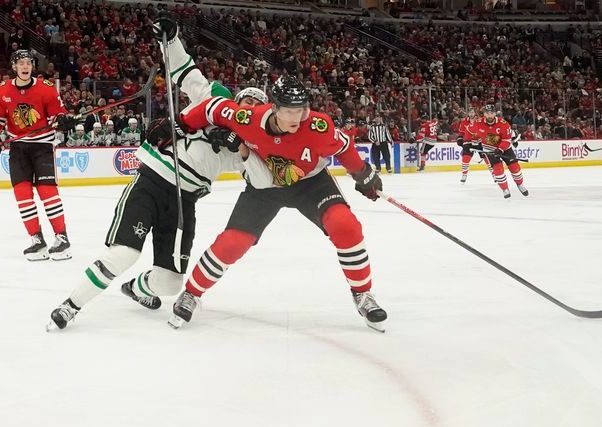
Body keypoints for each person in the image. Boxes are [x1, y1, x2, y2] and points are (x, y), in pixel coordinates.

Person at [47, 14, 271, 330]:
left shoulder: (251, 145)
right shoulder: (211, 101)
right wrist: (171, 37)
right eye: (245, 100)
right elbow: (184, 70)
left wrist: (242, 148)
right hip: (152, 182)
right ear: (235, 100)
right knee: (123, 253)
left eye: (256, 106)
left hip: (184, 202)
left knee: (170, 284)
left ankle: (137, 288)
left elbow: (262, 180)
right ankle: (71, 305)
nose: (248, 106)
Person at [168, 75, 388, 332]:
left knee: (345, 225)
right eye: (290, 111)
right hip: (265, 187)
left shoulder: (318, 126)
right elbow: (212, 108)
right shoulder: (247, 118)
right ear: (274, 108)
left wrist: (363, 175)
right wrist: (180, 124)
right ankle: (192, 294)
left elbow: (344, 147)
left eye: (302, 109)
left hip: (311, 183)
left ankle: (363, 294)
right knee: (233, 242)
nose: (298, 117)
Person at [0, 49, 75, 261]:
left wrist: (62, 120)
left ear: (32, 66)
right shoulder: (1, 91)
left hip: (42, 146)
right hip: (17, 148)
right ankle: (36, 239)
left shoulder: (46, 88)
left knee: (47, 192)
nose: (25, 66)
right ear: (14, 67)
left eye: (28, 63)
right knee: (23, 196)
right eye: (21, 63)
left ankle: (62, 238)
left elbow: (56, 115)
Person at [465, 104, 528, 199]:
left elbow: (507, 140)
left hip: (505, 149)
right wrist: (465, 141)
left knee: (515, 168)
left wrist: (500, 149)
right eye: (487, 113)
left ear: (495, 113)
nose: (489, 115)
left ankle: (520, 184)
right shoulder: (477, 123)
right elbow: (468, 130)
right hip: (489, 149)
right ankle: (505, 189)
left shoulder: (503, 123)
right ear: (484, 114)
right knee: (498, 171)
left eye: (491, 113)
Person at [456, 108, 479, 184]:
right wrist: (459, 138)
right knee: (465, 158)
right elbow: (461, 132)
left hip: (479, 141)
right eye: (470, 112)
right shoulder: (464, 122)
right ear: (468, 113)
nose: (471, 114)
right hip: (468, 142)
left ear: (475, 113)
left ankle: (494, 174)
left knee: (487, 158)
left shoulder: (480, 121)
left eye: (472, 112)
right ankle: (464, 175)